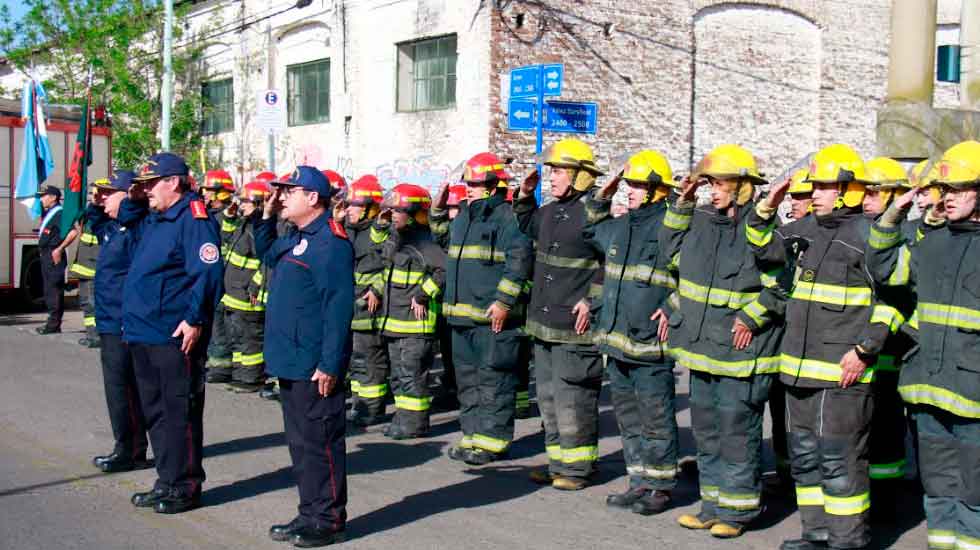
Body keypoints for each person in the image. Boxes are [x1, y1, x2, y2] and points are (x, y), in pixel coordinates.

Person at [748, 144, 891, 550]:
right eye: (815, 187)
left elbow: (896, 302)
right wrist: (765, 208)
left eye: (825, 187)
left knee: (839, 461)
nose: (815, 193)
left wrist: (865, 349)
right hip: (798, 371)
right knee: (806, 459)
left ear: (848, 189)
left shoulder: (869, 237)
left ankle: (847, 541)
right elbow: (762, 248)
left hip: (841, 376)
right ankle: (816, 535)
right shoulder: (804, 230)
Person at [662, 144, 784, 538]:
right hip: (702, 348)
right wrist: (679, 207)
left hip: (741, 352)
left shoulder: (762, 228)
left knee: (736, 432)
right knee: (707, 432)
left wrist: (752, 315)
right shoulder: (699, 219)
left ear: (743, 187)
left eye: (719, 184)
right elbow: (667, 253)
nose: (711, 191)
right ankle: (712, 505)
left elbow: (783, 284)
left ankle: (738, 510)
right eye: (709, 183)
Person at [866, 140, 980, 550]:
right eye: (944, 191)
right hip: (928, 390)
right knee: (937, 488)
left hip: (974, 399)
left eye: (957, 190)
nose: (946, 198)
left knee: (974, 493)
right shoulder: (930, 241)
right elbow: (883, 270)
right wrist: (895, 214)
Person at [254, 166, 352, 547]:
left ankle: (328, 519)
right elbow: (266, 253)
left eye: (288, 192)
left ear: (312, 198)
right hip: (290, 358)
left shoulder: (331, 242)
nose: (281, 197)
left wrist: (330, 363)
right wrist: (264, 215)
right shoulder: (297, 237)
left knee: (321, 442)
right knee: (300, 443)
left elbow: (338, 308)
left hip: (314, 364)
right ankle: (309, 510)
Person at [124, 153, 223, 514]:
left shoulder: (193, 219)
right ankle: (166, 479)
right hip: (144, 329)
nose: (146, 191)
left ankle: (185, 485)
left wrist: (195, 319)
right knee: (155, 411)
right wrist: (137, 197)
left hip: (173, 332)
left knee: (179, 410)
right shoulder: (157, 217)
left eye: (152, 184)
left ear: (174, 182)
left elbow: (207, 273)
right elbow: (126, 216)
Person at [583, 150, 681, 515]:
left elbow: (696, 276)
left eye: (638, 185)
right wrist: (604, 191)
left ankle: (660, 486)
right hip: (618, 340)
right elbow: (590, 228)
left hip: (651, 342)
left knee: (655, 416)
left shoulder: (670, 228)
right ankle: (638, 481)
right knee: (629, 417)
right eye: (629, 185)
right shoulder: (622, 225)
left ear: (658, 190)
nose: (631, 191)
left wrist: (674, 307)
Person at [514, 138, 606, 491]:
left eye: (559, 171)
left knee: (573, 399)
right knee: (549, 399)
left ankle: (579, 469)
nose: (551, 177)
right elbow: (527, 226)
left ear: (580, 177)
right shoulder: (551, 211)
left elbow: (608, 263)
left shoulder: (594, 213)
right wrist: (524, 198)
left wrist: (591, 300)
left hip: (573, 326)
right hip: (544, 324)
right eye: (551, 171)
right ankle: (558, 464)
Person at [442, 152, 533, 465]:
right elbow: (440, 239)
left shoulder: (508, 217)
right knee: (467, 381)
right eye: (468, 182)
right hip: (461, 317)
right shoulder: (465, 215)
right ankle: (471, 436)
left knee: (493, 381)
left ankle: (492, 443)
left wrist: (504, 302)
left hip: (492, 318)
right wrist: (439, 207)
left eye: (476, 184)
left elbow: (519, 261)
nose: (469, 188)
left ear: (493, 186)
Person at [88, 170, 152, 473]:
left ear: (127, 195)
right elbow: (95, 219)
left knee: (123, 388)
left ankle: (129, 450)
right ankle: (128, 446)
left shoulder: (135, 227)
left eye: (107, 193)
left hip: (122, 320)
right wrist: (92, 199)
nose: (101, 198)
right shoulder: (114, 227)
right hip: (109, 318)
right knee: (118, 387)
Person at [373, 183, 446, 440]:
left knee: (412, 376)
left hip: (416, 326)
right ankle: (403, 420)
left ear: (414, 213)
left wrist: (422, 294)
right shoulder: (399, 239)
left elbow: (444, 270)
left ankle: (415, 424)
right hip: (396, 323)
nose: (392, 215)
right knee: (400, 377)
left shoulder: (424, 242)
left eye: (397, 210)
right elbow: (382, 264)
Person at [341, 174, 390, 427]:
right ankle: (359, 403)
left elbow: (391, 265)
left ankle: (372, 408)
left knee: (371, 358)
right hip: (351, 306)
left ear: (369, 208)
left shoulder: (380, 232)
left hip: (371, 308)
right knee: (356, 359)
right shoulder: (349, 230)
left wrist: (377, 289)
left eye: (353, 205)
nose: (348, 209)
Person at [219, 180, 273, 393]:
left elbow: (266, 262)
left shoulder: (259, 230)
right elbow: (227, 241)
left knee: (249, 338)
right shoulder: (244, 224)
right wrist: (229, 218)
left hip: (246, 294)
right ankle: (241, 374)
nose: (241, 205)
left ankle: (251, 378)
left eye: (246, 201)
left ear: (260, 204)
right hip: (233, 292)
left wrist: (255, 286)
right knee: (238, 336)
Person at [201, 169, 238, 384]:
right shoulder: (208, 214)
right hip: (212, 277)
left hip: (225, 279)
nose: (204, 194)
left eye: (209, 191)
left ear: (220, 193)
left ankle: (221, 367)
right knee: (212, 323)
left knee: (220, 325)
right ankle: (214, 363)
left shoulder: (228, 217)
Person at [69, 184, 103, 347]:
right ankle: (92, 334)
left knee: (91, 304)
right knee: (87, 303)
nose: (93, 195)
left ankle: (95, 336)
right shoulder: (92, 213)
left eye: (96, 192)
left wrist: (96, 204)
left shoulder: (102, 216)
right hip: (85, 268)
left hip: (92, 270)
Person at [35, 185, 71, 334]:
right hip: (46, 254)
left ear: (53, 197)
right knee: (49, 289)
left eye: (44, 196)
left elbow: (72, 232)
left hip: (53, 255)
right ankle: (52, 322)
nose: (41, 199)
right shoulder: (50, 213)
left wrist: (59, 249)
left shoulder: (59, 214)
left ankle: (53, 325)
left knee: (54, 290)